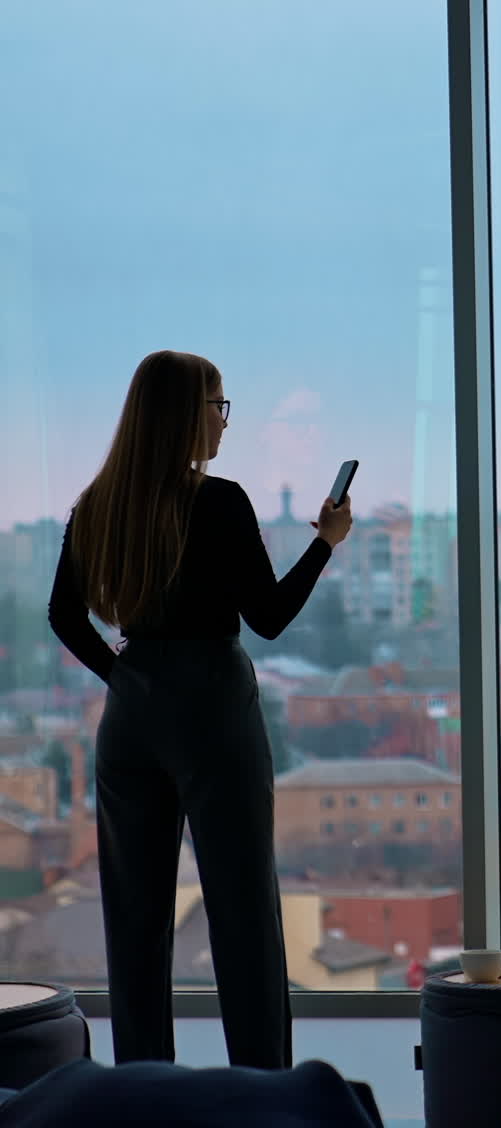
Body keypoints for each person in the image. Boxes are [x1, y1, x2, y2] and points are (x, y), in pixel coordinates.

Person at [48, 350, 352, 1070]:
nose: (224, 421)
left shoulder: (98, 505)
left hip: (131, 714)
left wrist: (123, 676)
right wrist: (325, 542)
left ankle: (144, 1096)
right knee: (243, 912)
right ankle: (264, 1095)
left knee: (135, 920)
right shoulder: (220, 500)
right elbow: (269, 617)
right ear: (189, 414)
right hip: (213, 704)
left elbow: (65, 615)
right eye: (218, 405)